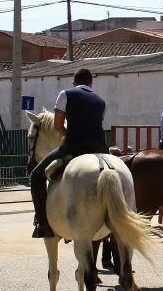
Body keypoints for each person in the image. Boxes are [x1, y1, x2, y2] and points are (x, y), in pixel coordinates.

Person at [30, 68, 108, 238]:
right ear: (91, 83)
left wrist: (72, 135)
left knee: (36, 176)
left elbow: (58, 126)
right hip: (100, 147)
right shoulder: (101, 101)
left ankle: (43, 225)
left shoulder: (65, 94)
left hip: (74, 146)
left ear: (74, 83)